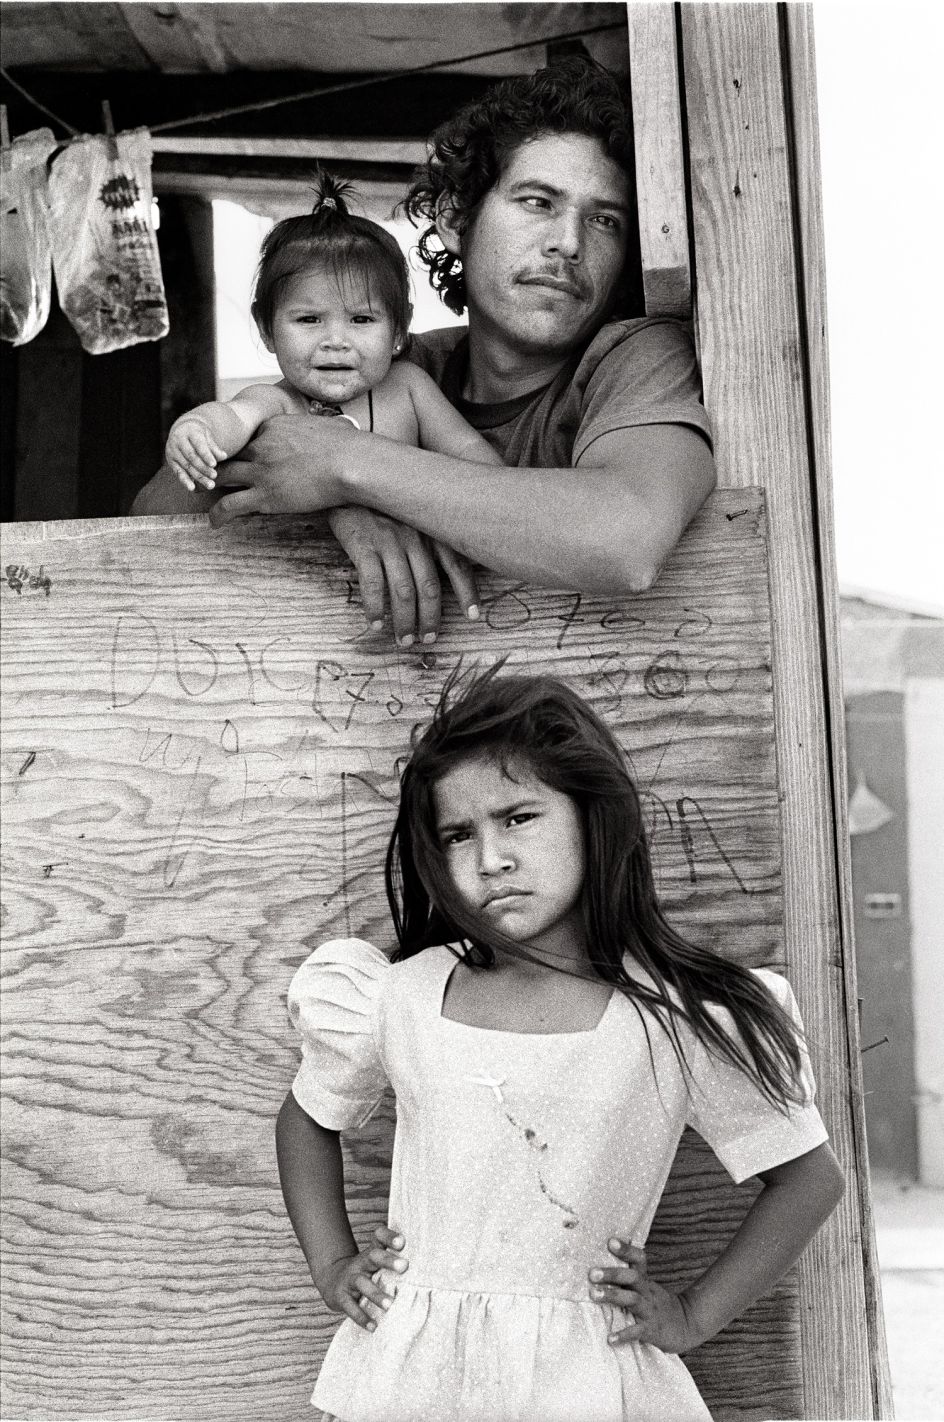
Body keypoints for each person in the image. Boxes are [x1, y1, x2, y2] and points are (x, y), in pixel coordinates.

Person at [276, 668, 844, 1422]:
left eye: (518, 818)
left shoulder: (676, 1021)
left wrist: (695, 1315)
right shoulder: (400, 996)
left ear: (590, 816)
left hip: (587, 1377)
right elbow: (308, 1119)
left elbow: (809, 1181)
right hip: (413, 1374)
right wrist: (331, 1262)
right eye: (458, 835)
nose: (491, 859)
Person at [132, 59, 716, 649]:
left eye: (605, 219)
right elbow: (151, 519)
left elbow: (625, 541)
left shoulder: (637, 358)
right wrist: (335, 510)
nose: (569, 242)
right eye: (538, 202)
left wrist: (349, 469)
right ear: (457, 219)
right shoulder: (389, 369)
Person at [163, 172, 501, 498]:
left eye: (361, 319)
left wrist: (500, 491)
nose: (336, 341)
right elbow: (234, 418)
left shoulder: (410, 388)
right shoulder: (277, 402)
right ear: (267, 329)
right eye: (309, 319)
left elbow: (468, 451)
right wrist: (197, 429)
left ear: (399, 329)